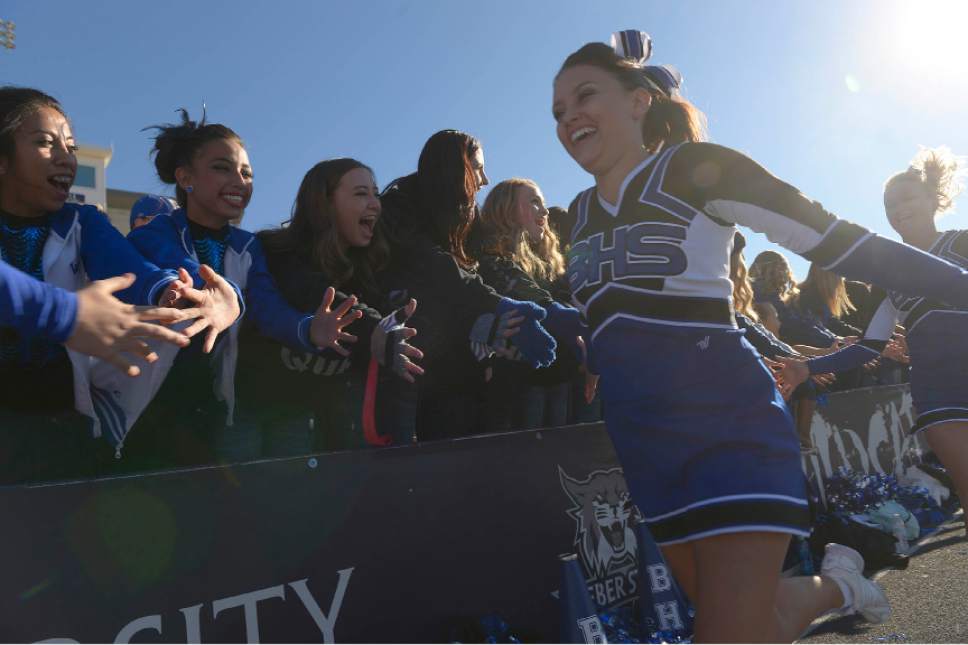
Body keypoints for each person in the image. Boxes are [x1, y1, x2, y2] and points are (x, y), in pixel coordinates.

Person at [552, 31, 968, 641]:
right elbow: (599, 317)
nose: (569, 118)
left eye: (585, 95)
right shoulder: (579, 215)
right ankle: (840, 585)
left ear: (639, 101)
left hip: (730, 428)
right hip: (646, 450)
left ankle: (840, 583)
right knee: (756, 622)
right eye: (558, 112)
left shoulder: (694, 169)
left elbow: (843, 242)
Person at [0, 87, 236, 483]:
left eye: (70, 147)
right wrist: (66, 314)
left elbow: (129, 269)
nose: (65, 157)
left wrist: (178, 293)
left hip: (54, 419)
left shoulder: (83, 222)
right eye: (44, 142)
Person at [125, 109, 358, 469]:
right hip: (154, 403)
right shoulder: (152, 235)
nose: (239, 180)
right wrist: (224, 294)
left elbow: (266, 306)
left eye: (246, 172)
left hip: (220, 406)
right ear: (185, 177)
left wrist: (308, 328)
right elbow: (188, 274)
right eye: (222, 167)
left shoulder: (248, 246)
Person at [777, 146, 967, 532]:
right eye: (888, 204)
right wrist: (806, 367)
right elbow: (868, 347)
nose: (897, 209)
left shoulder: (960, 243)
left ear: (934, 199)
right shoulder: (889, 278)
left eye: (907, 198)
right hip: (939, 394)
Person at [379, 130, 559, 441]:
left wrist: (553, 313)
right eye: (477, 168)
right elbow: (438, 270)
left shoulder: (469, 223)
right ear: (453, 167)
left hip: (462, 370)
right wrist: (497, 307)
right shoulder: (399, 206)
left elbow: (494, 270)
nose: (485, 179)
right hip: (408, 365)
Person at [252, 158, 424, 453]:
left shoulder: (371, 268)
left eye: (375, 194)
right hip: (267, 415)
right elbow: (310, 291)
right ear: (324, 203)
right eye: (361, 194)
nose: (375, 204)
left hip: (336, 422)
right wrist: (376, 330)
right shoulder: (276, 252)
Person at [476, 178, 582, 431]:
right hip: (516, 388)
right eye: (534, 203)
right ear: (507, 211)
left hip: (559, 382)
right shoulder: (490, 259)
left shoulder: (550, 267)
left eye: (543, 204)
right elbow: (529, 295)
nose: (545, 212)